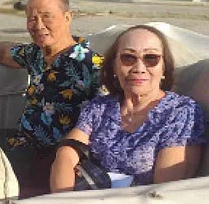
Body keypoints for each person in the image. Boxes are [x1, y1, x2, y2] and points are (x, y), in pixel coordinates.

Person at [0, 0, 103, 196]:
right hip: (21, 140)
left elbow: (108, 120)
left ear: (67, 17)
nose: (38, 25)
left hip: (50, 157)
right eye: (32, 18)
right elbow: (4, 52)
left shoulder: (92, 65)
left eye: (47, 16)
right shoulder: (36, 54)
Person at [50, 25, 207, 193]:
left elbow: (163, 191)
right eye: (128, 58)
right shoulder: (100, 107)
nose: (139, 68)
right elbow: (66, 153)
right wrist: (63, 198)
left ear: (164, 68)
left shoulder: (181, 112)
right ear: (114, 67)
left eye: (151, 58)